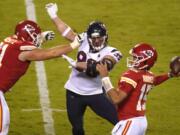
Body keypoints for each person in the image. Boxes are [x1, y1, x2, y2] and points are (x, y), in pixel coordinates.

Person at [45, 3, 122, 135]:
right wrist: (53, 15)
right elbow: (66, 32)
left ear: (105, 37)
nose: (97, 41)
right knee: (77, 128)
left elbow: (100, 68)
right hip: (73, 92)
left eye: (99, 38)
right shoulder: (85, 39)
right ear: (89, 37)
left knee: (120, 122)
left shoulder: (113, 52)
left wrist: (78, 64)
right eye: (94, 38)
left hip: (95, 93)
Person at [0, 19, 82, 135]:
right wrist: (74, 44)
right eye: (36, 36)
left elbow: (19, 49)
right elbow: (50, 53)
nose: (38, 39)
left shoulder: (10, 41)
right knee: (2, 127)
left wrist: (42, 37)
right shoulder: (24, 51)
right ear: (29, 36)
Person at [96, 43, 179, 135]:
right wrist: (169, 75)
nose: (133, 60)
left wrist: (105, 78)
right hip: (141, 121)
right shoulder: (149, 75)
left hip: (130, 121)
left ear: (146, 61)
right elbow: (155, 80)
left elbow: (116, 99)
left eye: (137, 58)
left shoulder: (131, 75)